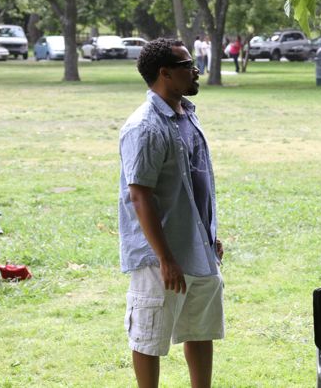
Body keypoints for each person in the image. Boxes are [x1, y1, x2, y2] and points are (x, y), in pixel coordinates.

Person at [119, 38, 224, 388]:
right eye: (188, 65)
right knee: (149, 335)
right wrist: (165, 258)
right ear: (165, 73)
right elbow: (140, 196)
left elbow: (193, 183)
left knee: (200, 330)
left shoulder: (186, 114)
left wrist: (208, 235)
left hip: (197, 248)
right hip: (159, 256)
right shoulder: (145, 126)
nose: (196, 70)